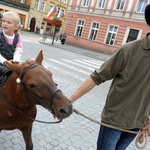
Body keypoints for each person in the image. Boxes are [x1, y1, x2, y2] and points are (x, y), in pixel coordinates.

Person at [69, 4, 150, 150]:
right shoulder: (128, 51)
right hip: (113, 121)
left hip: (138, 124)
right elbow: (96, 77)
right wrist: (69, 101)